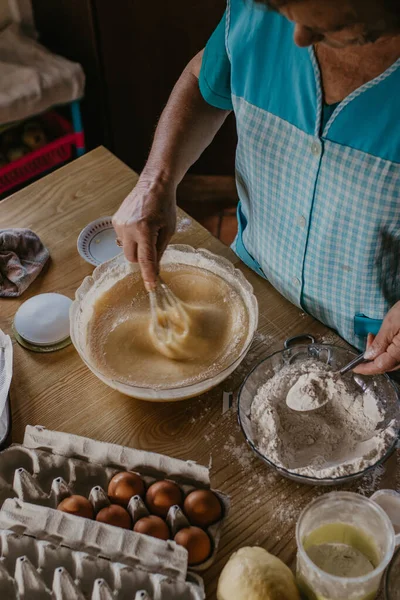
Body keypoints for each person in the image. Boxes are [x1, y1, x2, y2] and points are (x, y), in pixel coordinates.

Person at [113, 0, 400, 375]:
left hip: (372, 348)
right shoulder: (252, 11)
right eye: (284, 11)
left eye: (331, 26)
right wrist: (156, 180)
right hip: (254, 289)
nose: (297, 36)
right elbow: (204, 83)